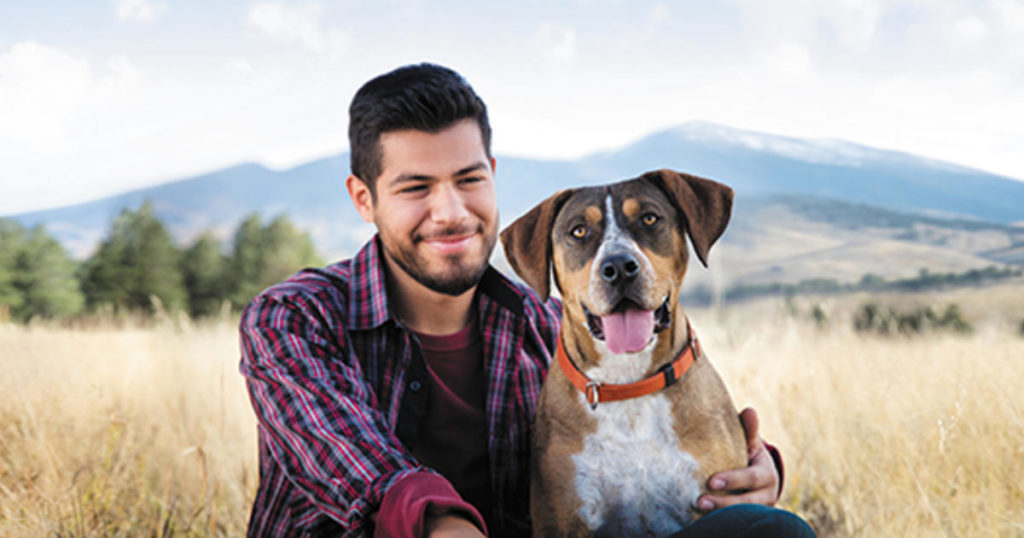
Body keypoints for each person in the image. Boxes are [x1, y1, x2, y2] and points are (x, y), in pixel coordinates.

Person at [239, 63, 814, 537]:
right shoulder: (294, 319)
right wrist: (436, 521)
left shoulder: (547, 332)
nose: (451, 212)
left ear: (492, 174)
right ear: (363, 199)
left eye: (468, 179)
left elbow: (642, 442)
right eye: (416, 187)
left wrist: (749, 478)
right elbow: (345, 456)